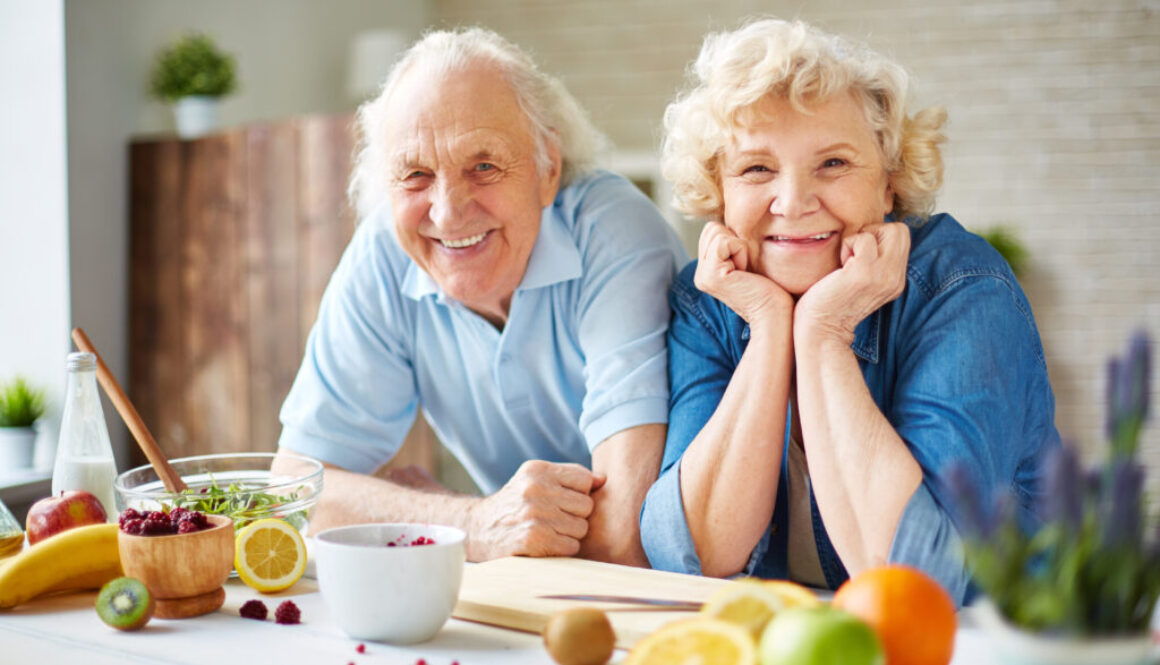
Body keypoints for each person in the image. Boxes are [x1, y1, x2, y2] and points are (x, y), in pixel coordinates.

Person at [639, 18, 1060, 604]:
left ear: (888, 185)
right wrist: (768, 328)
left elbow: (919, 577)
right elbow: (689, 552)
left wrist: (823, 331)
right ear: (720, 192)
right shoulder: (711, 298)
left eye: (833, 164)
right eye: (757, 168)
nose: (793, 202)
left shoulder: (962, 287)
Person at [276, 27, 688, 566]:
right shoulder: (385, 249)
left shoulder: (613, 232)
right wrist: (472, 523)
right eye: (416, 175)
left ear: (547, 169)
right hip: (532, 596)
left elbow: (625, 533)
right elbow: (295, 492)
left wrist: (439, 513)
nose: (447, 213)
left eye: (484, 166)